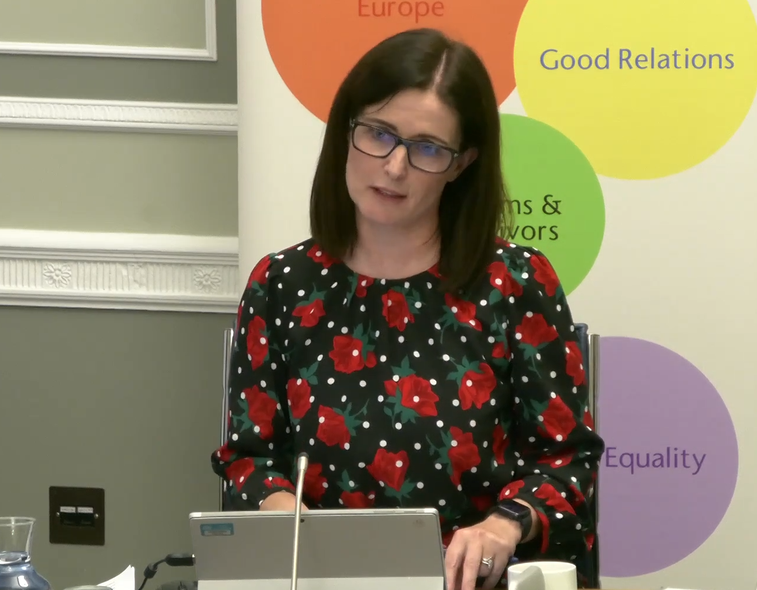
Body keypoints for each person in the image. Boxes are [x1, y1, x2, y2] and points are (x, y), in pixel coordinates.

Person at [211, 27, 604, 590]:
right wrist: (278, 508)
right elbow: (247, 457)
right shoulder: (282, 284)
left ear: (461, 162)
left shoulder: (515, 283)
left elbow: (567, 461)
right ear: (347, 132)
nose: (394, 167)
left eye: (426, 148)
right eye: (379, 133)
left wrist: (504, 525)